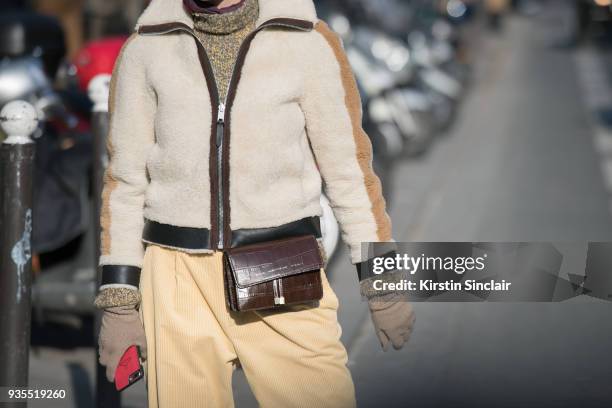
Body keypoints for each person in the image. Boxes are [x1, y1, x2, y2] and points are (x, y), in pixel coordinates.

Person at [93, 0, 415, 406]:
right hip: (175, 280)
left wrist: (382, 283)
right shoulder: (146, 47)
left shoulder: (307, 41)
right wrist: (120, 303)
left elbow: (350, 172)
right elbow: (124, 183)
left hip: (281, 270)